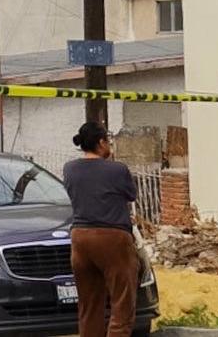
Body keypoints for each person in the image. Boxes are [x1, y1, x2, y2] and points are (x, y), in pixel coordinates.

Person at [64, 122, 138, 337]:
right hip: (112, 237)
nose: (110, 146)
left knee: (89, 305)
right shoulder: (117, 169)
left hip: (80, 238)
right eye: (109, 141)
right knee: (122, 302)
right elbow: (131, 194)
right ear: (101, 142)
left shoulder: (70, 168)